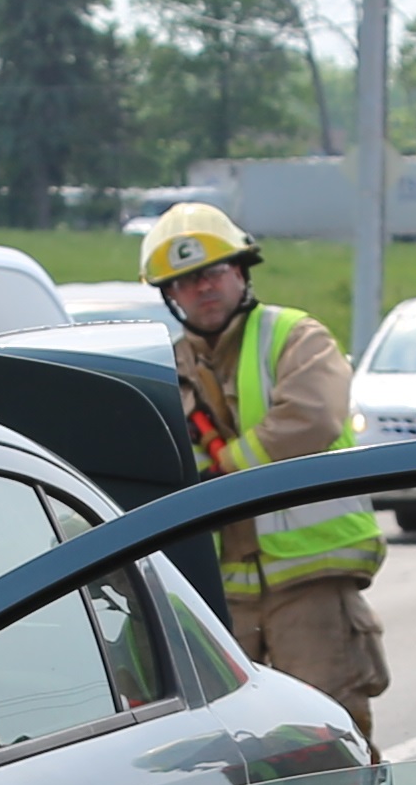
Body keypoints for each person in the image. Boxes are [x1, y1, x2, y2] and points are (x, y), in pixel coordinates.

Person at [145, 200, 388, 737]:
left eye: (212, 272)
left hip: (310, 577)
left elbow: (312, 416)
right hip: (221, 592)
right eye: (185, 282)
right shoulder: (166, 369)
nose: (203, 288)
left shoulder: (296, 337)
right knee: (232, 744)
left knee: (331, 732)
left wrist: (224, 465)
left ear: (240, 271)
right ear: (170, 296)